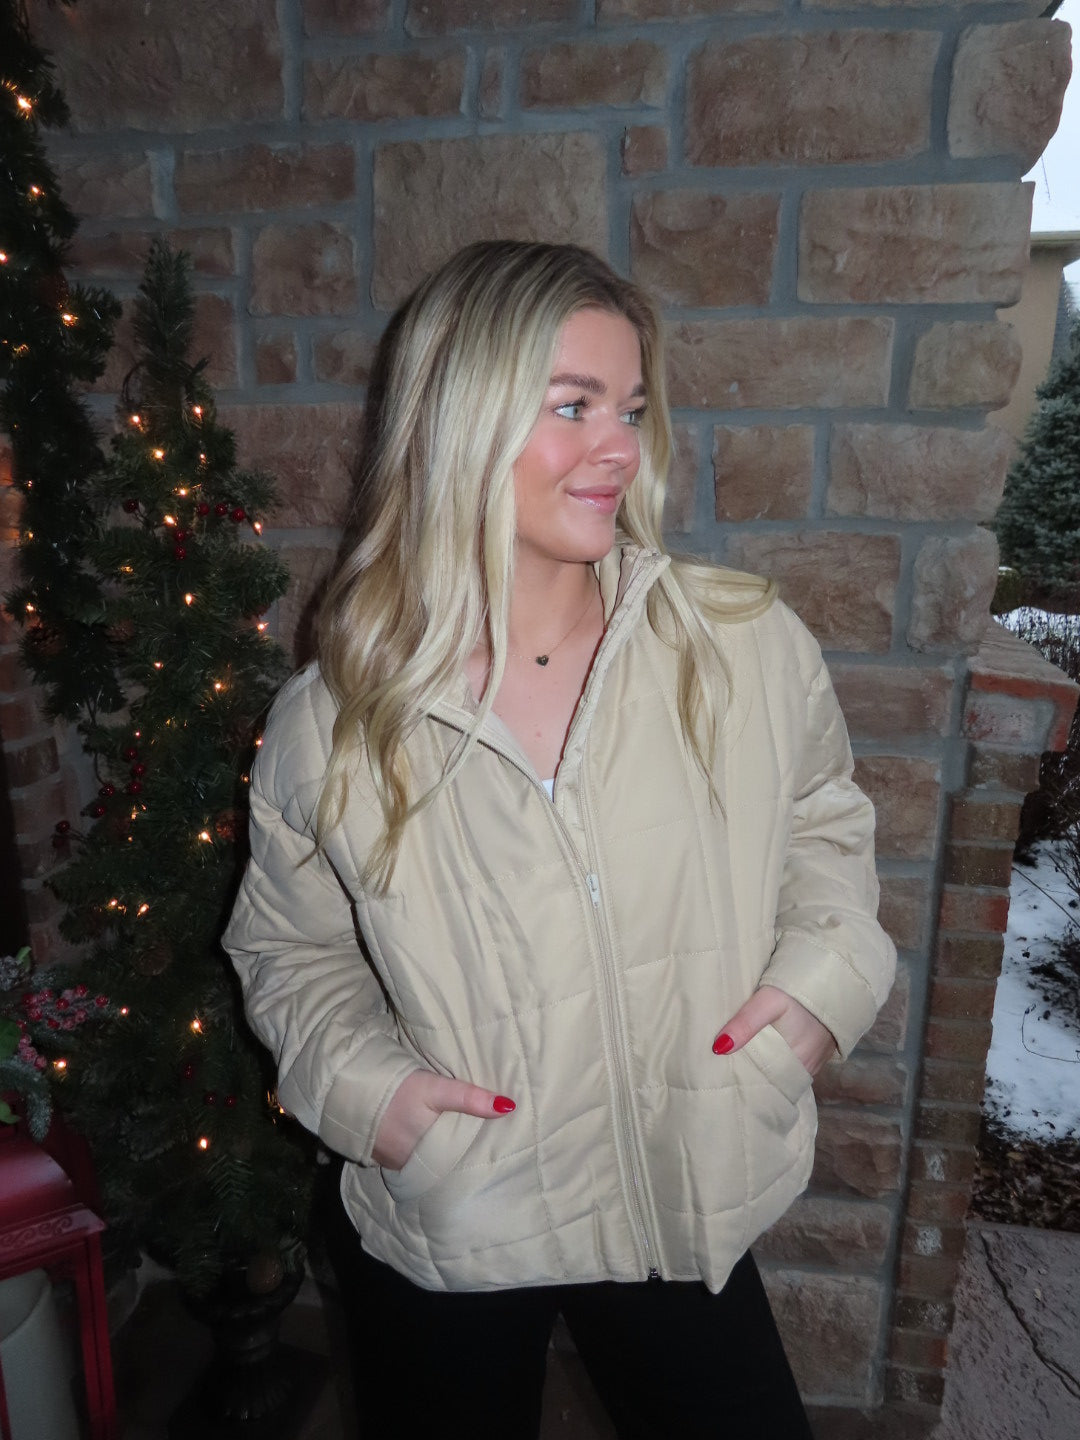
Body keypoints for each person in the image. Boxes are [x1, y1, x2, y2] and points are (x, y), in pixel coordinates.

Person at [223, 240, 897, 1439]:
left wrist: (821, 984)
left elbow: (823, 821)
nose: (621, 447)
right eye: (574, 405)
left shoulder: (741, 644)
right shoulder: (334, 721)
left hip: (679, 1183)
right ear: (459, 421)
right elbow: (288, 950)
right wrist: (372, 1093)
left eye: (630, 408)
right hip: (458, 1212)